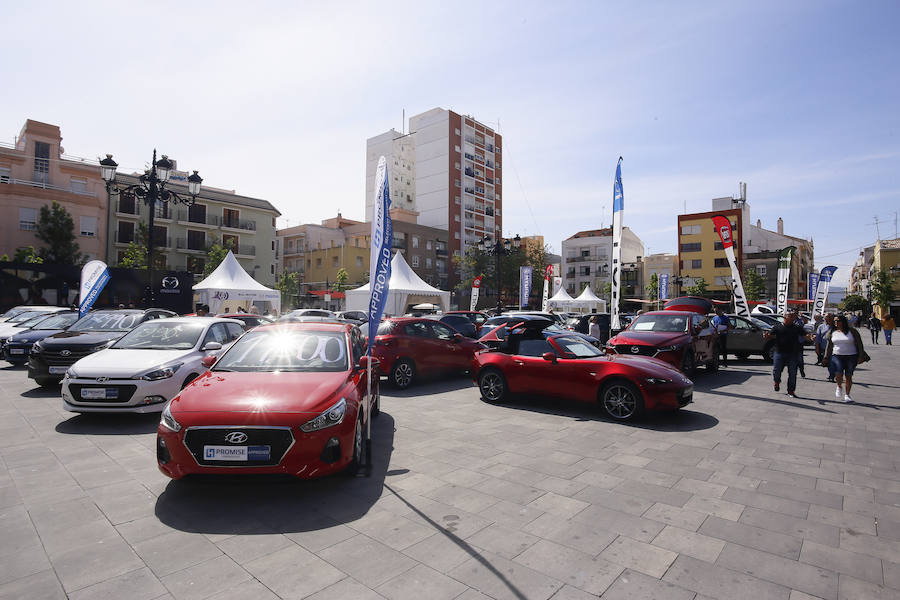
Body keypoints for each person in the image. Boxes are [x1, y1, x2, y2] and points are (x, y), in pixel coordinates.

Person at [763, 309, 810, 398]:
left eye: (794, 316)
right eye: (791, 316)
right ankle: (776, 381)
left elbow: (805, 335)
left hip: (792, 353)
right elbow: (769, 336)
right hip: (779, 352)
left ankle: (791, 391)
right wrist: (766, 336)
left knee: (792, 373)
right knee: (776, 371)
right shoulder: (777, 327)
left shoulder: (796, 327)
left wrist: (810, 337)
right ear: (785, 317)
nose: (793, 318)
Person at [823, 314, 866, 403]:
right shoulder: (833, 332)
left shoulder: (852, 331)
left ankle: (847, 394)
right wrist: (826, 357)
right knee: (838, 373)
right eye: (834, 321)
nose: (836, 323)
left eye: (838, 321)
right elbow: (829, 345)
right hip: (837, 355)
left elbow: (860, 344)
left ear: (843, 322)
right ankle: (839, 386)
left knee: (848, 375)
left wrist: (861, 356)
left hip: (851, 356)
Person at [815, 313, 837, 381]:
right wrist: (817, 348)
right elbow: (818, 338)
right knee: (827, 361)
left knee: (832, 362)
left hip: (834, 348)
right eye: (826, 318)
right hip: (824, 348)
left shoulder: (836, 327)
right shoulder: (821, 326)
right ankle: (832, 374)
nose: (827, 319)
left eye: (829, 318)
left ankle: (832, 375)